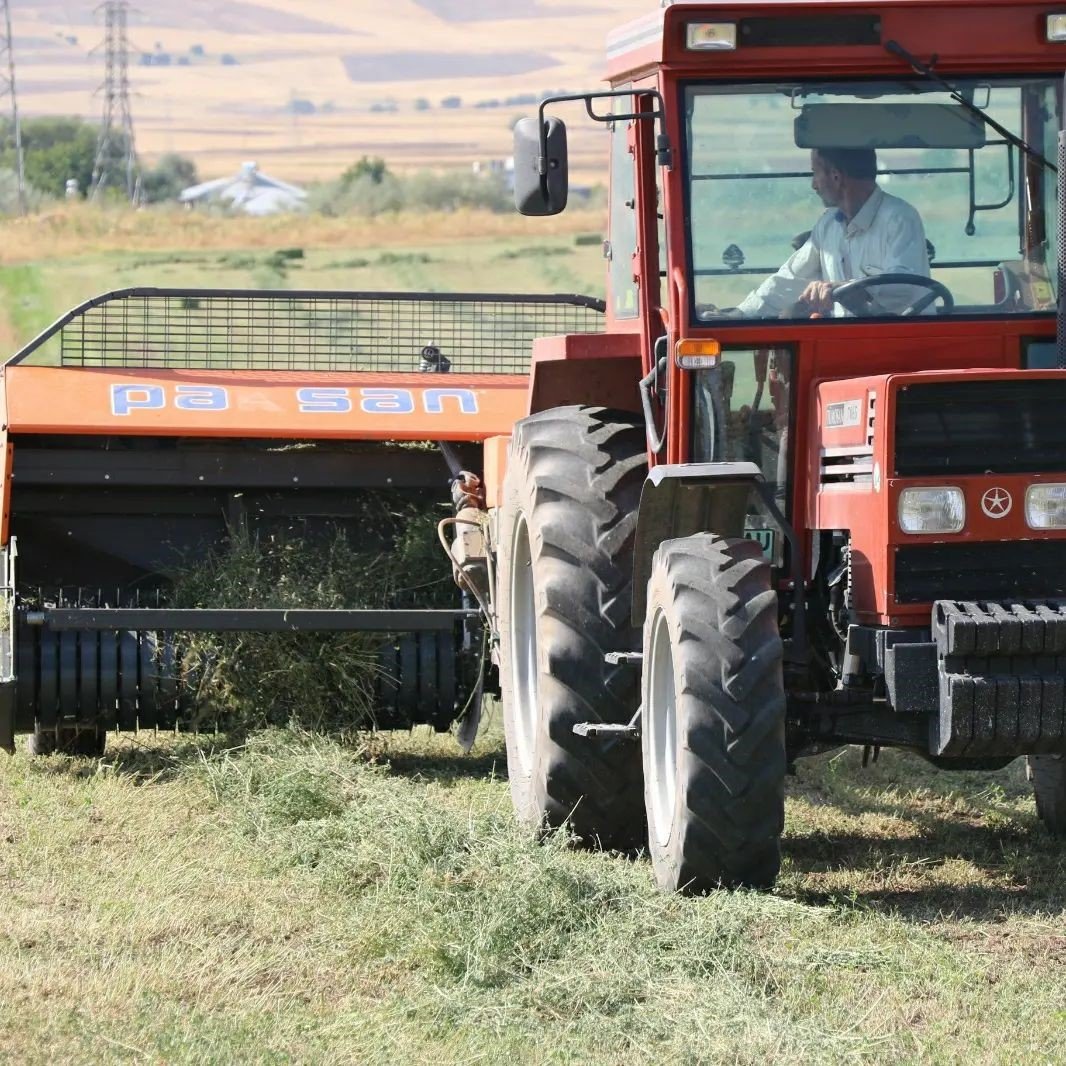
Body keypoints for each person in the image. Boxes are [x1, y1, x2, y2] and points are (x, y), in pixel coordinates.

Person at [728, 147, 931, 318]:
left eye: (815, 173)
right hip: (845, 340)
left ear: (836, 177)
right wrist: (738, 315)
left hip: (901, 339)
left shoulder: (899, 218)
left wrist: (844, 288)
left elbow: (904, 285)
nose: (813, 185)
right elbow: (788, 281)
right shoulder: (827, 225)